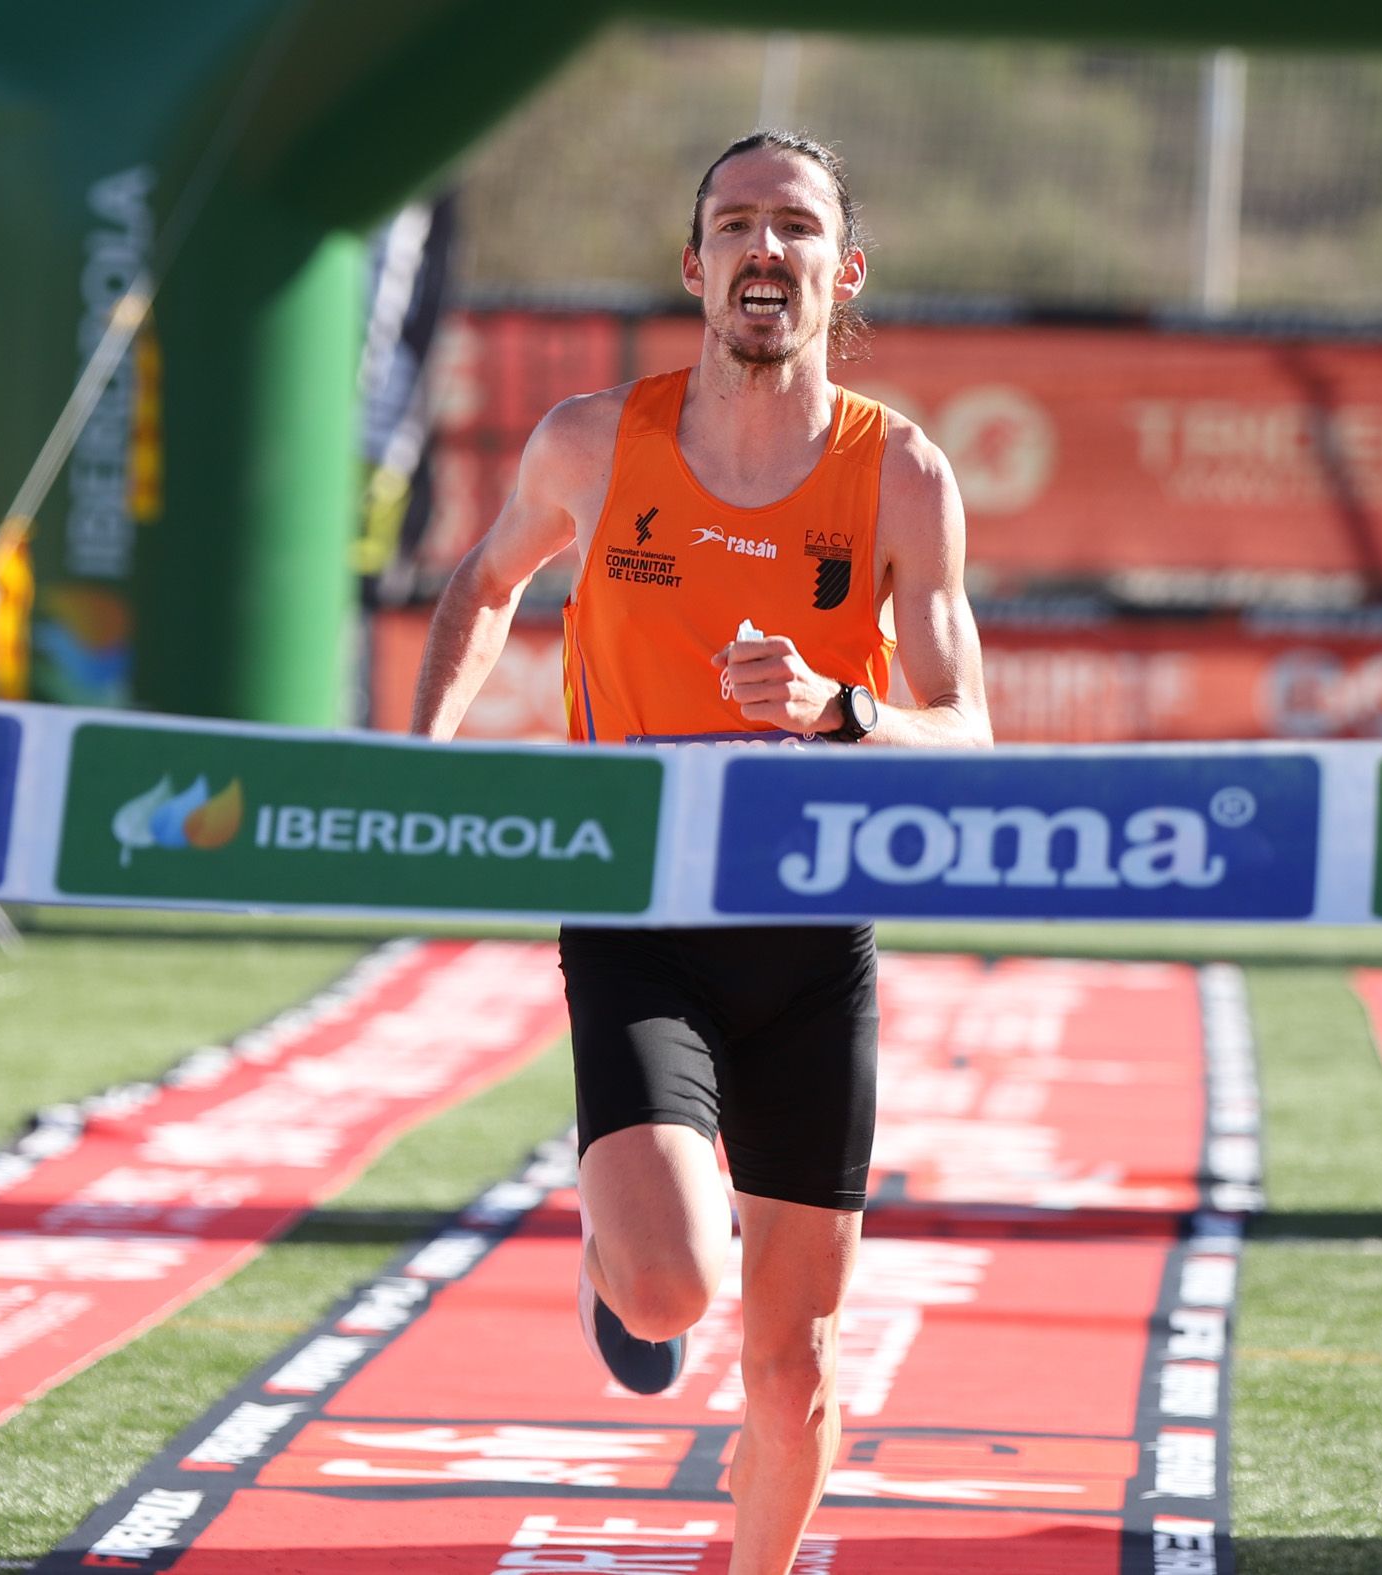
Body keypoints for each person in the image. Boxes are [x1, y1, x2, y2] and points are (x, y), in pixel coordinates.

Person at [410, 130, 991, 1573]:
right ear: (694, 264)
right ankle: (627, 1248)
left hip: (808, 938)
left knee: (790, 1367)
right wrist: (417, 765)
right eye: (735, 225)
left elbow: (968, 731)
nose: (763, 250)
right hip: (638, 909)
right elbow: (481, 587)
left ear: (839, 270)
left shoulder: (901, 474)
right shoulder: (595, 442)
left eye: (793, 227)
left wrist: (835, 706)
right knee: (673, 1292)